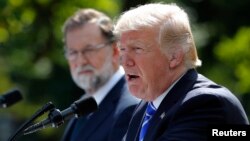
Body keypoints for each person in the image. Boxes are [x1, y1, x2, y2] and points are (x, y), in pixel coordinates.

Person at [114, 3, 249, 141]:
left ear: (174, 56)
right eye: (122, 49)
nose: (125, 61)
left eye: (137, 48)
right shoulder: (146, 106)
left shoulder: (205, 104)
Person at [61, 8, 139, 141]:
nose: (81, 61)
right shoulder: (81, 106)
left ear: (115, 51)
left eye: (89, 50)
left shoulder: (131, 106)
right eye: (73, 52)